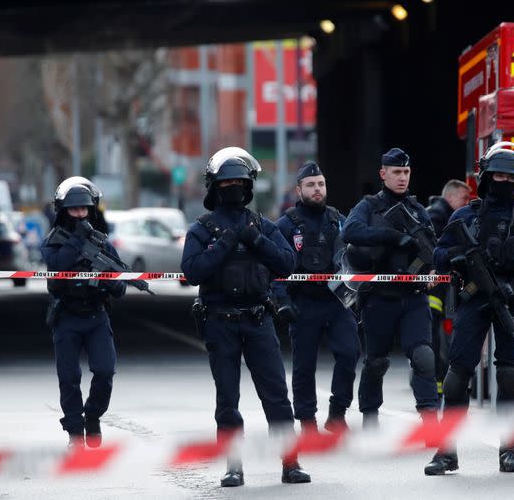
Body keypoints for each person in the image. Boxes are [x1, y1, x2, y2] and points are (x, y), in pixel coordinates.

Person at [181, 147, 311, 487]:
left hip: (258, 320)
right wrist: (223, 245)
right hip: (219, 320)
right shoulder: (203, 229)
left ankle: (291, 462)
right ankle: (233, 466)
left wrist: (254, 239)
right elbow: (192, 271)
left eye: (240, 182)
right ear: (214, 187)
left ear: (249, 186)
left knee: (276, 395)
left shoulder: (261, 225)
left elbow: (287, 263)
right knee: (227, 399)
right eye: (227, 183)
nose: (234, 187)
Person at [425, 142, 514, 475]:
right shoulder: (465, 215)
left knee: (510, 375)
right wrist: (454, 259)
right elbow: (438, 253)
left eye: (509, 178)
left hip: (511, 299)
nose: (502, 182)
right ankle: (446, 451)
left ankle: (508, 450)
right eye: (497, 175)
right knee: (456, 378)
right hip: (472, 298)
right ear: (485, 177)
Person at [341, 147, 439, 430]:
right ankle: (370, 417)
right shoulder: (369, 206)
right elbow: (350, 231)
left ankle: (430, 420)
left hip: (413, 296)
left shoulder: (419, 211)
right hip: (379, 298)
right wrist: (392, 237)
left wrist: (434, 270)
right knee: (376, 362)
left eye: (406, 172)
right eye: (396, 172)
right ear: (383, 174)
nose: (402, 177)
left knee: (423, 356)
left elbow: (434, 250)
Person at [273, 162, 360, 434]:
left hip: (336, 301)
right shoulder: (285, 226)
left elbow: (354, 260)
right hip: (303, 303)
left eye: (320, 184)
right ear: (299, 190)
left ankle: (338, 413)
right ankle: (307, 420)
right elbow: (275, 267)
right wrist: (282, 300)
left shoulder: (340, 220)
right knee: (304, 365)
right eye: (311, 185)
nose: (317, 189)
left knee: (350, 352)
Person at [41, 177, 126, 450]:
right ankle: (75, 432)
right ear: (63, 211)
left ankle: (92, 415)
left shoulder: (102, 243)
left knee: (105, 371)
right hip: (66, 316)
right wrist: (78, 239)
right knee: (68, 377)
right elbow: (57, 265)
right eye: (73, 210)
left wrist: (109, 281)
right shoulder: (54, 242)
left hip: (96, 316)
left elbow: (121, 285)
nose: (79, 214)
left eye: (84, 209)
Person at [425, 180, 471, 398]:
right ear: (450, 198)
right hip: (435, 289)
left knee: (441, 335)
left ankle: (442, 383)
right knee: (434, 336)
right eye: (464, 198)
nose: (466, 203)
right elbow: (432, 248)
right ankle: (438, 382)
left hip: (444, 287)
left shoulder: (445, 215)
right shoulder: (437, 216)